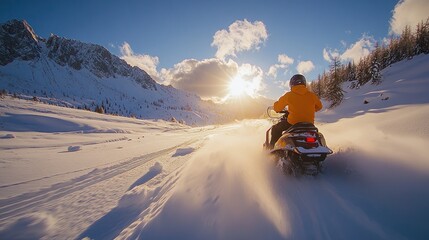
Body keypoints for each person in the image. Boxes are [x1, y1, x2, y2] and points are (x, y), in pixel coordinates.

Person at [269, 74, 323, 149]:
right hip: (309, 125)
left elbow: (277, 107)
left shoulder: (289, 95)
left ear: (292, 84)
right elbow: (320, 106)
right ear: (304, 83)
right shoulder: (312, 95)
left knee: (275, 128)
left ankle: (272, 149)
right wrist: (309, 109)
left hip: (293, 123)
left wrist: (276, 107)